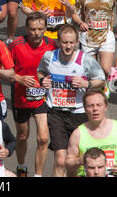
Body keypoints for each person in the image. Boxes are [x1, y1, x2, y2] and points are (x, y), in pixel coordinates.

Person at [37, 24, 106, 177]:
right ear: (58, 42)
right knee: (60, 160)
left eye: (71, 43)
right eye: (64, 42)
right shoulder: (49, 57)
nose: (68, 46)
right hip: (56, 113)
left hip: (79, 113)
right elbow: (40, 71)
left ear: (76, 42)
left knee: (74, 160)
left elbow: (101, 80)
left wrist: (86, 83)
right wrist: (42, 81)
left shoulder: (85, 60)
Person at [8, 12, 56, 177]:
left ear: (45, 29)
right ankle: (21, 166)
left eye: (40, 29)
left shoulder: (52, 45)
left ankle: (38, 174)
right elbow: (6, 71)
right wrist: (19, 78)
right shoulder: (16, 45)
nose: (36, 33)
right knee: (22, 136)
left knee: (43, 138)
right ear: (26, 28)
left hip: (42, 97)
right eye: (32, 29)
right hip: (21, 97)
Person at [72, 0, 117, 79]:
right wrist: (80, 23)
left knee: (106, 69)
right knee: (92, 73)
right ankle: (97, 91)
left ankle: (104, 88)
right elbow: (74, 14)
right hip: (88, 38)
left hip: (106, 35)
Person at [66, 88, 117, 177]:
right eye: (90, 106)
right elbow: (68, 163)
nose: (95, 109)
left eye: (98, 105)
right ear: (85, 109)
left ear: (105, 107)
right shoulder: (78, 134)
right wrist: (79, 161)